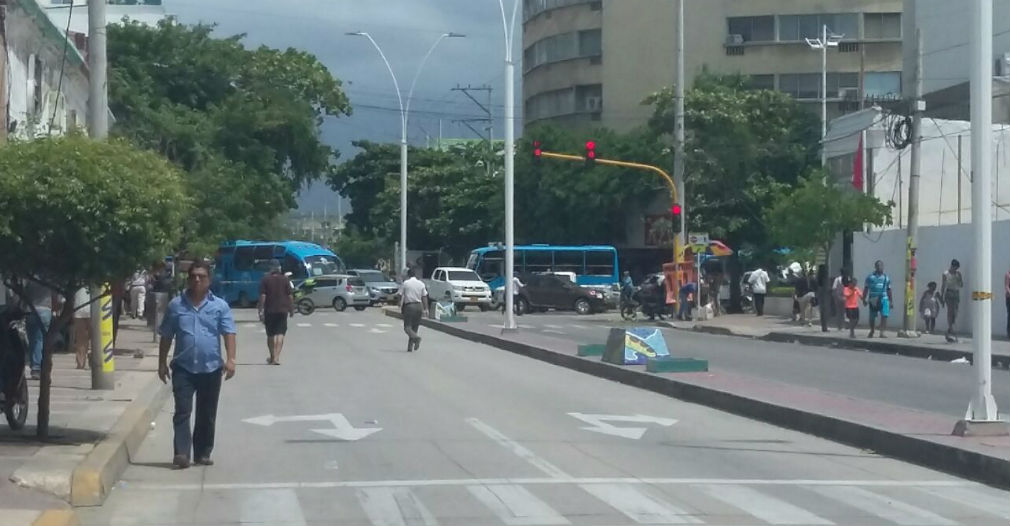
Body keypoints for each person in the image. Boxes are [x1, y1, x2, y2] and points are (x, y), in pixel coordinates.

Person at [158, 261, 237, 469]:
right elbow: (166, 335)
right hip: (183, 367)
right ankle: (182, 453)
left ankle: (202, 453)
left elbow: (229, 333)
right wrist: (161, 363)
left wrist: (231, 360)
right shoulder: (176, 305)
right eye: (193, 276)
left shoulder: (220, 306)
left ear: (209, 280)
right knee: (182, 411)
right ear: (189, 279)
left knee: (207, 413)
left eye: (201, 276)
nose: (197, 280)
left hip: (211, 368)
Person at [22, 279, 61, 380]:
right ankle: (37, 367)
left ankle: (35, 366)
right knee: (40, 339)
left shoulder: (30, 278)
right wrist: (56, 309)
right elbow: (56, 296)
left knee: (32, 340)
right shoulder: (51, 278)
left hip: (30, 310)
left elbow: (24, 294)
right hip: (45, 310)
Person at [258, 260, 293, 365]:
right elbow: (290, 296)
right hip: (283, 310)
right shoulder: (285, 280)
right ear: (279, 268)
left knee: (270, 334)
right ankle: (277, 358)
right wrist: (291, 309)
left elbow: (263, 296)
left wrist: (261, 310)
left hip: (270, 310)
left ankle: (272, 356)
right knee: (280, 333)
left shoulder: (265, 280)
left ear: (270, 268)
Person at [399, 268, 428, 352]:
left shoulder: (406, 283)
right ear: (415, 274)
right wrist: (426, 308)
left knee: (407, 328)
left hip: (410, 306)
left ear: (408, 275)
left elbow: (400, 294)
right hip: (419, 306)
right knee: (415, 327)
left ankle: (416, 338)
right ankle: (410, 347)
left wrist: (398, 303)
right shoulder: (421, 284)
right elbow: (424, 296)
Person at [863, 260, 892, 338]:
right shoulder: (870, 277)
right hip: (873, 299)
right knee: (872, 317)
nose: (880, 267)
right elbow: (866, 288)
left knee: (884, 315)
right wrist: (864, 299)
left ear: (883, 267)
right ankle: (872, 330)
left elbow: (889, 289)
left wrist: (891, 301)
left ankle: (882, 332)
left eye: (881, 265)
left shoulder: (886, 278)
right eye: (878, 266)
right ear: (875, 267)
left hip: (884, 298)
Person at [940, 259, 964, 343]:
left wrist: (959, 279)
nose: (956, 269)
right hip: (949, 293)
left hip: (956, 293)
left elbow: (961, 285)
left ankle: (950, 330)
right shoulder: (945, 274)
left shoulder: (958, 274)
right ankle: (952, 329)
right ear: (952, 266)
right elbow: (943, 286)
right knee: (950, 312)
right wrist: (942, 297)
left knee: (955, 313)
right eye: (955, 267)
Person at [71, 287, 91, 370]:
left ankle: (81, 362)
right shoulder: (96, 278)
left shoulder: (76, 280)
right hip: (90, 310)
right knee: (93, 338)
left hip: (79, 310)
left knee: (81, 339)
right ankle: (89, 360)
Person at [816, 265, 830, 332]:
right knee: (825, 311)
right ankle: (825, 327)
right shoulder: (824, 279)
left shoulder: (818, 278)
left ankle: (824, 327)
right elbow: (826, 287)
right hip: (824, 295)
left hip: (820, 294)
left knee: (822, 311)